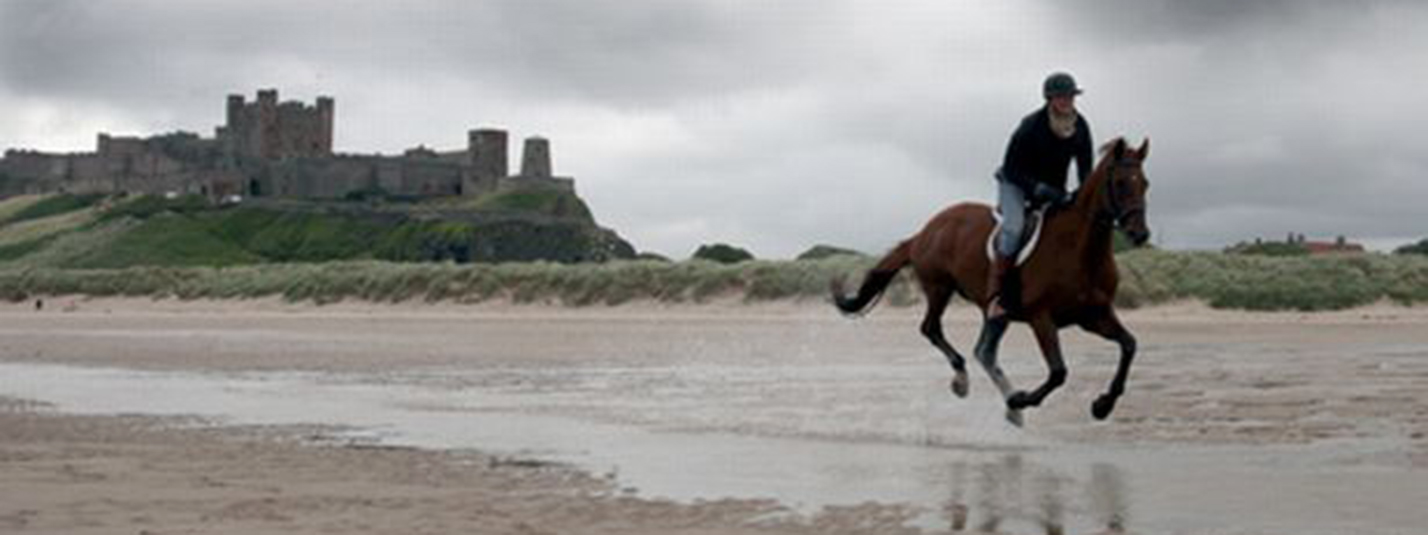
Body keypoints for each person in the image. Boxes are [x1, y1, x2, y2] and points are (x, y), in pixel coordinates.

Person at [987, 72, 1094, 321]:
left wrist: (1081, 196)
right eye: (1061, 96)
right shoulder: (1031, 125)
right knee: (1014, 229)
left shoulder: (1080, 126)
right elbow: (1012, 167)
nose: (1067, 100)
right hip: (1015, 184)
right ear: (1049, 98)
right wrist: (1039, 190)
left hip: (1053, 191)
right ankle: (998, 296)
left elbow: (1085, 168)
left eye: (1070, 96)